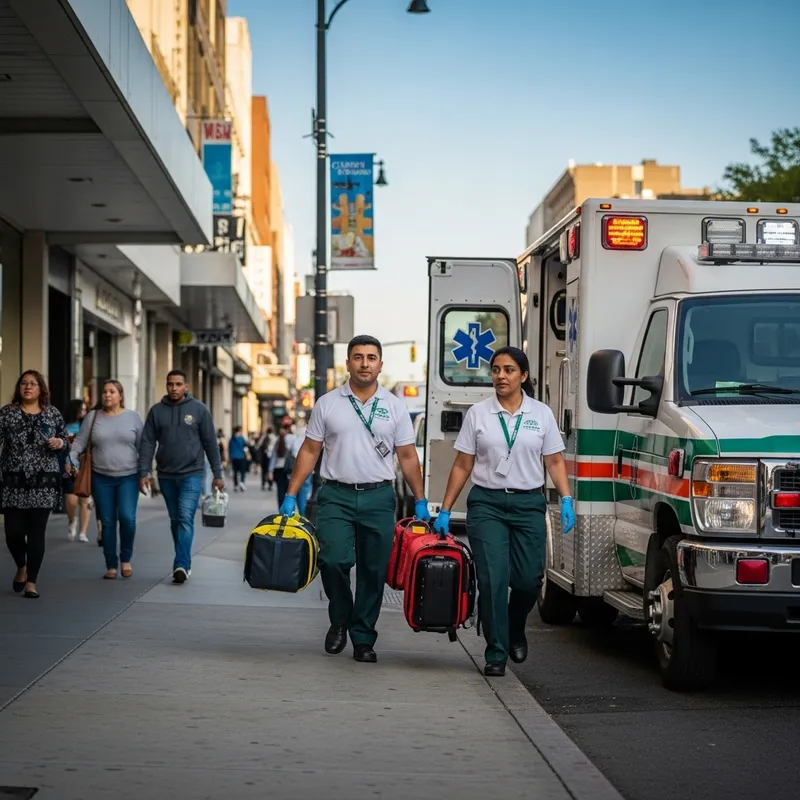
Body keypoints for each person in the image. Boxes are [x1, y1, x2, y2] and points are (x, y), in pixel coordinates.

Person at [281, 335, 430, 663]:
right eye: (358, 357)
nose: (365, 363)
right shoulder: (328, 403)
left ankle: (363, 637)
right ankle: (340, 618)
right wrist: (291, 494)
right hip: (336, 495)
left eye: (371, 357)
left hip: (379, 496)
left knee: (373, 571)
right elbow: (310, 450)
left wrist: (420, 499)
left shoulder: (395, 406)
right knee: (333, 561)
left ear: (380, 364)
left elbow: (407, 456)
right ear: (348, 363)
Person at [433, 346, 575, 678]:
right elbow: (463, 464)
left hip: (528, 504)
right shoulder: (479, 414)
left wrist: (566, 498)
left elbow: (554, 460)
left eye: (509, 370)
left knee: (528, 581)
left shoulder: (541, 414)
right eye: (496, 370)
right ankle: (496, 651)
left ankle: (514, 625)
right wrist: (446, 509)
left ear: (523, 376)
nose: (500, 376)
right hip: (487, 505)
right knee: (493, 579)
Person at [138, 370, 224, 584]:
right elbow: (147, 442)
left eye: (178, 384)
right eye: (170, 384)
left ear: (186, 386)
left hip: (192, 473)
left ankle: (181, 564)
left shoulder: (199, 410)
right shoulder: (156, 411)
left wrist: (218, 473)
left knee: (185, 517)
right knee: (176, 520)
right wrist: (144, 472)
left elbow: (210, 443)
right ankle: (183, 559)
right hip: (166, 474)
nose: (174, 388)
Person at [0, 370, 69, 599]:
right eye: (24, 383)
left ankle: (31, 582)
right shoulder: (7, 413)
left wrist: (60, 443)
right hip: (13, 480)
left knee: (37, 532)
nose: (28, 387)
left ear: (41, 389)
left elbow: (65, 441)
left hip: (44, 481)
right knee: (13, 533)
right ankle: (21, 566)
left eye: (33, 383)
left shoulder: (52, 413)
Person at [70, 380, 144, 580]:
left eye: (112, 392)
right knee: (108, 521)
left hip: (128, 476)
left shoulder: (133, 417)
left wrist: (146, 473)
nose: (107, 395)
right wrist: (72, 459)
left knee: (127, 518)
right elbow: (79, 443)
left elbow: (143, 447)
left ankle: (126, 558)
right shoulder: (93, 417)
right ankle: (111, 564)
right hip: (101, 477)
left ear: (121, 395)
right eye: (104, 392)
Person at [63, 398, 94, 543]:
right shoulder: (63, 425)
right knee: (71, 501)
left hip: (84, 466)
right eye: (81, 409)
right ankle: (72, 520)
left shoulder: (86, 425)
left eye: (85, 409)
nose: (84, 412)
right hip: (68, 466)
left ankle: (83, 532)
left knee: (85, 498)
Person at [268, 420, 297, 507]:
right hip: (289, 468)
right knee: (290, 491)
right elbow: (296, 453)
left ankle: (281, 510)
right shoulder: (294, 438)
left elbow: (274, 456)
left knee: (280, 491)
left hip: (278, 469)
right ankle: (289, 510)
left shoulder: (279, 438)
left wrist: (270, 470)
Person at [228, 425, 248, 492]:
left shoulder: (232, 439)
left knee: (235, 472)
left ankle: (235, 485)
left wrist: (230, 457)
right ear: (239, 431)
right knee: (242, 471)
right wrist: (247, 454)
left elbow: (229, 448)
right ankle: (242, 482)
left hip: (234, 458)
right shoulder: (241, 438)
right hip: (241, 457)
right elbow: (245, 448)